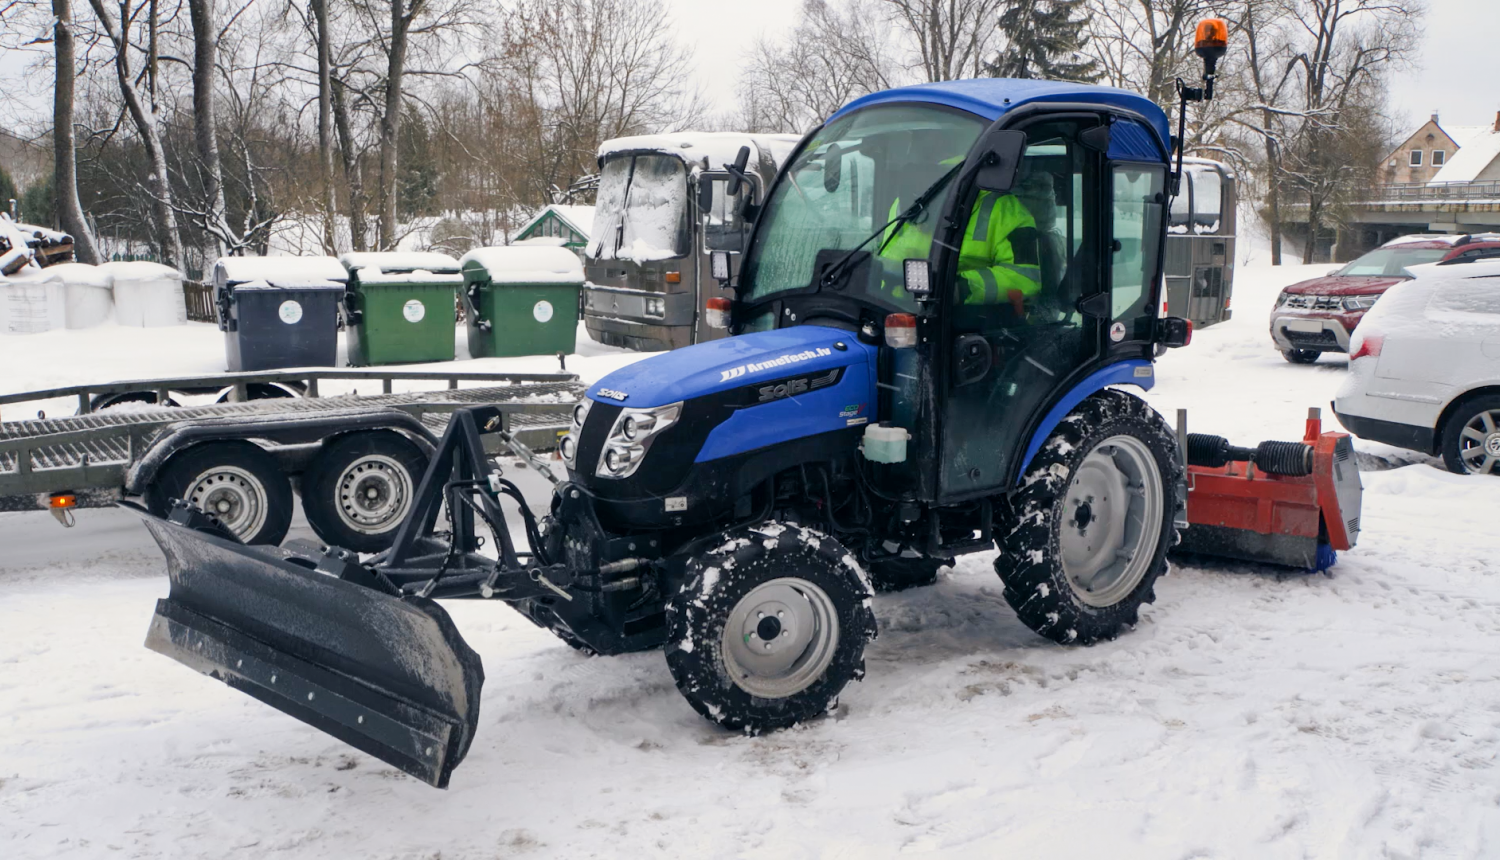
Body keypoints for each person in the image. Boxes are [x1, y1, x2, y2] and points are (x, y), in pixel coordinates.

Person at [877, 165, 1044, 312]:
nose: (918, 225)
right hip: (903, 317)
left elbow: (1025, 277)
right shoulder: (905, 204)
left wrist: (961, 287)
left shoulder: (1005, 210)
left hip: (974, 324)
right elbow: (890, 260)